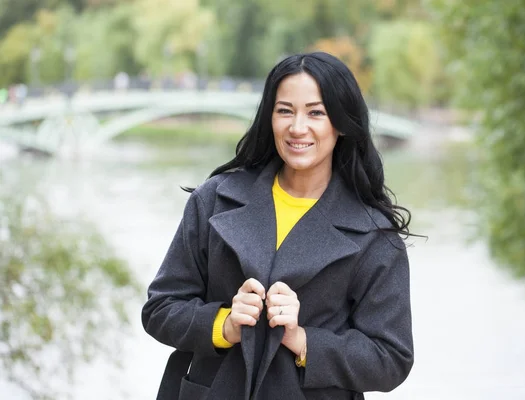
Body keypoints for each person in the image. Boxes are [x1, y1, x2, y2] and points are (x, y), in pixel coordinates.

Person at [142, 52, 414, 400]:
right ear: (269, 117)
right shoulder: (214, 199)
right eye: (285, 110)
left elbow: (391, 359)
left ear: (341, 123)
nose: (297, 127)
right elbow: (160, 309)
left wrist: (302, 341)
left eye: (316, 112)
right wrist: (223, 325)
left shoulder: (375, 236)